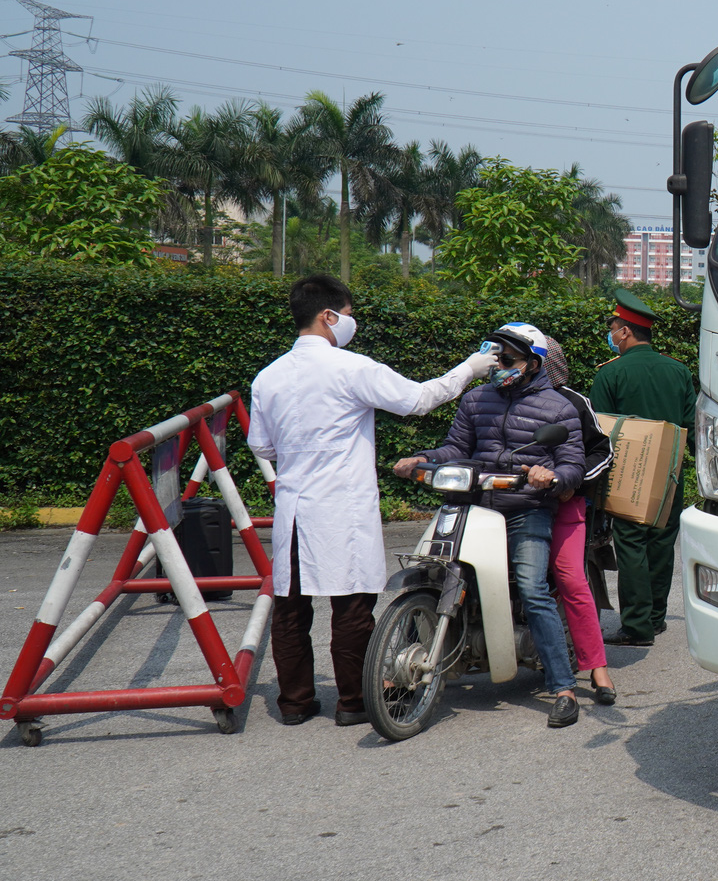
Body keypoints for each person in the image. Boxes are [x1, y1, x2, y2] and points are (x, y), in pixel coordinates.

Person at [247, 275, 495, 727]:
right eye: (347, 312)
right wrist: (469, 370)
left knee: (290, 608)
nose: (351, 321)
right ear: (328, 316)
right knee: (352, 606)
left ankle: (295, 702)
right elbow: (418, 400)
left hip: (294, 508)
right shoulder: (352, 368)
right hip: (341, 505)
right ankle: (354, 702)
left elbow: (261, 447)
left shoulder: (268, 377)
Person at [393, 323, 587, 729]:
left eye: (508, 359)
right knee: (429, 573)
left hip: (526, 508)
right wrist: (423, 458)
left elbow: (572, 464)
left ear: (532, 364)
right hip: (473, 504)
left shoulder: (558, 408)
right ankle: (403, 670)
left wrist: (548, 476)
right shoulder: (475, 399)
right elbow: (456, 449)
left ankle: (564, 688)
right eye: (496, 357)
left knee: (533, 589)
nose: (498, 364)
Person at [593, 288, 696, 649]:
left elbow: (600, 432)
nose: (611, 334)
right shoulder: (679, 371)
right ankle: (655, 617)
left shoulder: (611, 374)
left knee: (632, 543)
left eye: (613, 328)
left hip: (627, 474)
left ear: (625, 331)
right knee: (662, 542)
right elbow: (690, 427)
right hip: (670, 473)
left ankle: (637, 626)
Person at [540, 337, 618, 704]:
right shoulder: (491, 400)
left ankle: (597, 666)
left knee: (571, 579)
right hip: (509, 503)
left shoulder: (573, 402)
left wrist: (574, 482)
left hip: (564, 506)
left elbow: (603, 451)